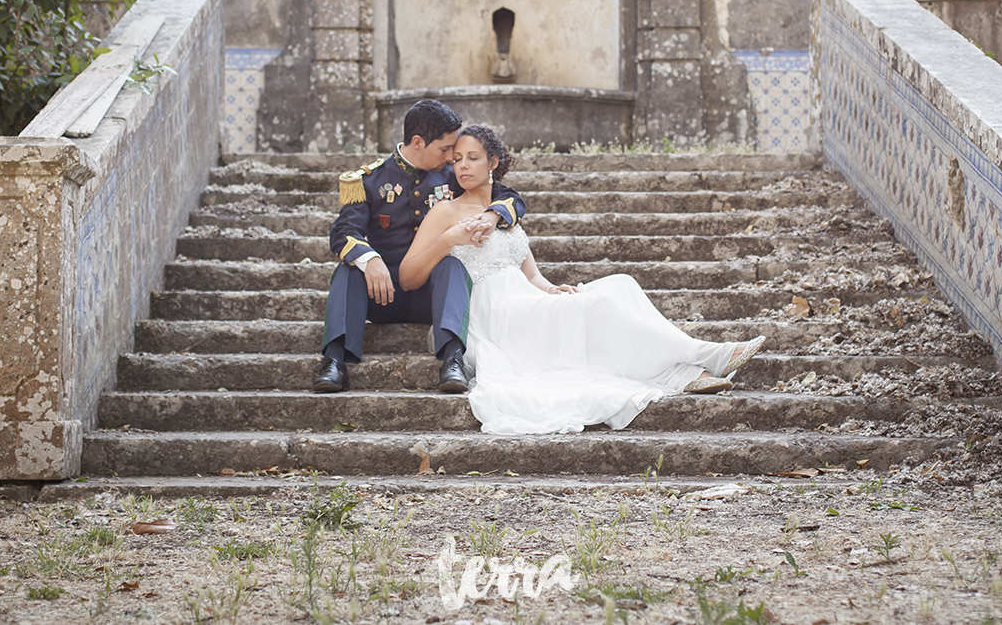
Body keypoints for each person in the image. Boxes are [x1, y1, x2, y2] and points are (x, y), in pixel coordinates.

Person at [398, 123, 765, 435]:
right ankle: (708, 355)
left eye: (472, 158)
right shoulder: (446, 210)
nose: (462, 166)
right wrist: (450, 239)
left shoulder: (504, 212)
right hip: (492, 313)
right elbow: (408, 277)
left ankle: (684, 375)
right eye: (457, 159)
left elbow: (532, 274)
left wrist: (551, 288)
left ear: (493, 162)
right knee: (605, 303)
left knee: (619, 285)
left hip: (525, 299)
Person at [313, 98, 529, 395]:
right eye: (445, 150)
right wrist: (369, 259)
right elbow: (344, 231)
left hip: (434, 293)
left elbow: (510, 197)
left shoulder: (451, 177)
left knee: (452, 265)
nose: (452, 157)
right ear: (418, 142)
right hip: (383, 292)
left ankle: (452, 359)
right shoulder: (370, 181)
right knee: (348, 270)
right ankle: (334, 360)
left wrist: (493, 215)